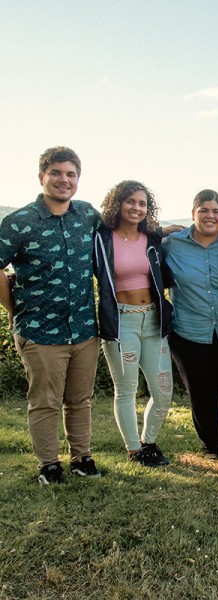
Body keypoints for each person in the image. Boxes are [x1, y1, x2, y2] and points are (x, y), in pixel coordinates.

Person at [0, 146, 102, 484]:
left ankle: (82, 458)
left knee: (79, 400)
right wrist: (13, 309)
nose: (64, 180)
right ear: (41, 176)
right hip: (40, 331)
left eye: (71, 174)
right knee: (45, 402)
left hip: (85, 329)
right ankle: (48, 465)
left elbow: (123, 235)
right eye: (56, 173)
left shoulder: (87, 215)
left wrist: (165, 231)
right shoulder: (19, 222)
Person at [94, 180, 174, 467]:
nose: (136, 208)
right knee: (126, 388)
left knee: (163, 391)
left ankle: (148, 442)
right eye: (130, 201)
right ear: (117, 204)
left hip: (154, 320)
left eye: (142, 203)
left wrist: (169, 231)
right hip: (121, 322)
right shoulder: (101, 238)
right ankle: (134, 449)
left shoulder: (152, 238)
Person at [163, 189, 218, 460]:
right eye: (204, 210)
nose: (210, 216)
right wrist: (159, 229)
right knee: (201, 392)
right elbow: (139, 241)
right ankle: (211, 445)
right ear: (193, 213)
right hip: (188, 331)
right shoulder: (172, 243)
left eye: (216, 211)